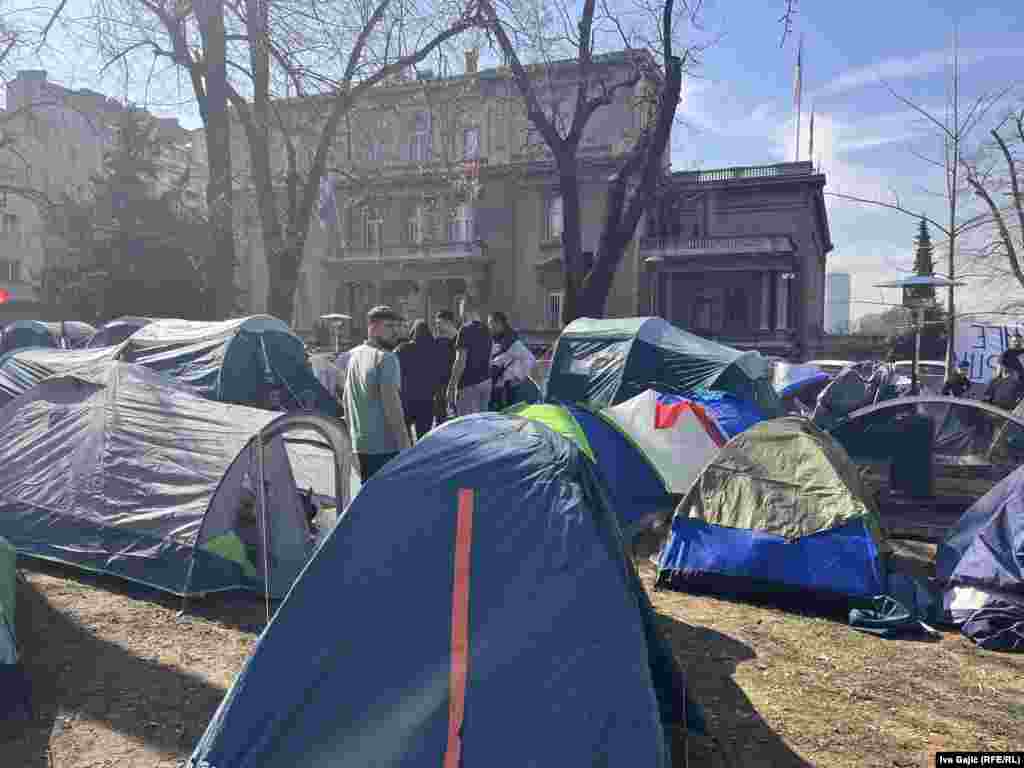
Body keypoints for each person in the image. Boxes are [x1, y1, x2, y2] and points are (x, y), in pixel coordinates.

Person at [343, 305, 412, 482]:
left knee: (370, 505)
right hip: (385, 449)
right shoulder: (387, 358)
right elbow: (393, 407)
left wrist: (352, 443)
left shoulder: (355, 357)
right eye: (389, 326)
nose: (395, 331)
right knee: (391, 506)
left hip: (361, 447)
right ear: (373, 328)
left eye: (396, 326)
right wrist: (406, 450)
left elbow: (346, 402)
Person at [447, 295, 492, 416]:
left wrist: (451, 387)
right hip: (486, 382)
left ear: (465, 308)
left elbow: (460, 361)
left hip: (468, 384)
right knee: (482, 423)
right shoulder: (486, 329)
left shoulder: (465, 330)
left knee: (468, 424)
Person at [396, 319, 439, 441]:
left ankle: (408, 456)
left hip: (407, 399)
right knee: (424, 437)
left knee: (405, 435)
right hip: (427, 400)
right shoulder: (435, 349)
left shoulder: (402, 349)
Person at [488, 311, 537, 409]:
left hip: (516, 383)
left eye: (491, 324)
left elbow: (498, 361)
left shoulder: (508, 340)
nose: (489, 327)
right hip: (512, 381)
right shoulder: (501, 337)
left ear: (499, 323)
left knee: (511, 411)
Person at [433, 310, 458, 424]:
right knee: (440, 417)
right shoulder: (437, 340)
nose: (437, 326)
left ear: (448, 322)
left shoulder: (459, 339)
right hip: (440, 384)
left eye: (439, 323)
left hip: (455, 383)